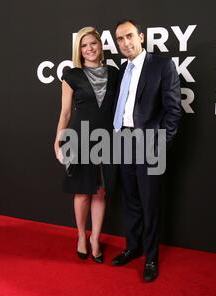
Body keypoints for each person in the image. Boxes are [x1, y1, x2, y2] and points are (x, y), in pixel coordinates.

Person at [111, 20, 182, 281]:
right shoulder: (121, 69)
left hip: (149, 145)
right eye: (120, 39)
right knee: (130, 200)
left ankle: (151, 259)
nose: (125, 42)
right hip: (122, 141)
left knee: (150, 203)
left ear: (140, 36)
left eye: (129, 36)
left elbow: (173, 110)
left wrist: (160, 146)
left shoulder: (162, 65)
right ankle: (133, 247)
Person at [54, 27, 119, 263]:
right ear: (78, 50)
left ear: (100, 46)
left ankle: (96, 238)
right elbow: (65, 112)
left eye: (93, 43)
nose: (89, 48)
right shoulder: (71, 75)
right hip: (79, 138)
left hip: (108, 140)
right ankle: (82, 236)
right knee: (82, 192)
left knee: (100, 192)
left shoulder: (114, 73)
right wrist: (59, 139)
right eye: (84, 45)